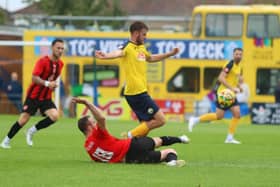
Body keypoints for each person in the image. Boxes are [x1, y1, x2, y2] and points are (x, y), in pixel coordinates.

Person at [95, 21, 179, 138]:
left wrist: (169, 54)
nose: (145, 37)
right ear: (135, 33)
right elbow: (118, 52)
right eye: (144, 34)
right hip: (136, 92)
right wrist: (106, 55)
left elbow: (150, 58)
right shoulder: (127, 47)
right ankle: (128, 136)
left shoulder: (141, 48)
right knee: (161, 120)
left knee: (144, 128)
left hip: (139, 91)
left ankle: (133, 152)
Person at [72, 97, 189, 167]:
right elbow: (102, 118)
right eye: (93, 122)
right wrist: (87, 103)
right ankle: (181, 139)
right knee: (160, 141)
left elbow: (103, 159)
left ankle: (172, 163)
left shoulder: (88, 147)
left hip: (130, 160)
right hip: (132, 145)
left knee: (166, 153)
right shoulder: (97, 134)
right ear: (89, 127)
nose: (95, 123)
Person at [1, 39, 65, 149]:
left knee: (54, 116)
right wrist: (47, 83)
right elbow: (34, 78)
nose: (60, 50)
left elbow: (52, 79)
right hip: (34, 96)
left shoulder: (61, 64)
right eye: (58, 48)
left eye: (62, 48)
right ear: (52, 48)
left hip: (46, 97)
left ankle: (31, 131)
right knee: (23, 120)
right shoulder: (42, 61)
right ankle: (6, 141)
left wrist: (53, 85)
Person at [188, 48, 244, 144]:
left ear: (242, 55)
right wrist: (232, 88)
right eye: (236, 54)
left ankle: (229, 138)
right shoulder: (229, 64)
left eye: (240, 54)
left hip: (230, 94)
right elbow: (221, 78)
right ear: (233, 55)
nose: (238, 56)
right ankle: (195, 119)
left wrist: (239, 86)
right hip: (223, 94)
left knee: (237, 114)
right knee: (219, 116)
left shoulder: (240, 66)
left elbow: (235, 79)